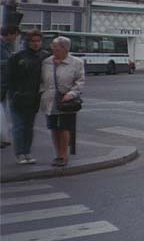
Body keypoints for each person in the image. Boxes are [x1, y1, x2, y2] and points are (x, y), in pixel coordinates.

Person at [40, 36, 84, 167]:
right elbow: (41, 80)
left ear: (65, 49)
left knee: (64, 127)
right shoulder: (46, 62)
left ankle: (63, 156)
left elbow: (80, 82)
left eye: (56, 48)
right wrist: (42, 92)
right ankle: (58, 154)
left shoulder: (76, 62)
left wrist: (71, 94)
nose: (53, 49)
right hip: (50, 99)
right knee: (54, 127)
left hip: (66, 100)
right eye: (52, 47)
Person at [8, 30, 47, 164]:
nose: (36, 44)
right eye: (33, 41)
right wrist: (13, 93)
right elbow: (9, 76)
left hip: (34, 97)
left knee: (29, 127)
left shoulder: (44, 56)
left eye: (38, 41)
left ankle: (27, 152)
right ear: (27, 42)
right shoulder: (18, 56)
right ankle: (20, 153)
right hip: (18, 96)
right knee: (19, 126)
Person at [0, 26, 19, 148]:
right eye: (15, 35)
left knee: (2, 111)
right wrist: (11, 62)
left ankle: (3, 137)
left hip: (4, 83)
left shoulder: (5, 45)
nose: (16, 38)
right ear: (9, 34)